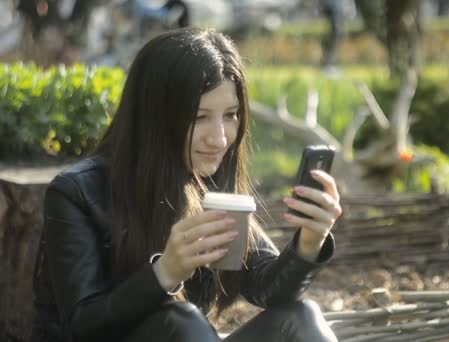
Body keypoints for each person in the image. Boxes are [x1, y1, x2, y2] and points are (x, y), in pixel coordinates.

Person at [31, 28, 341, 342]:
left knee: (300, 317)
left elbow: (267, 288)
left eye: (231, 115)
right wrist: (165, 273)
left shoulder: (206, 177)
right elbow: (82, 325)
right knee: (180, 320)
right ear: (155, 116)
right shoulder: (76, 193)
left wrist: (310, 241)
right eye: (200, 117)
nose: (219, 139)